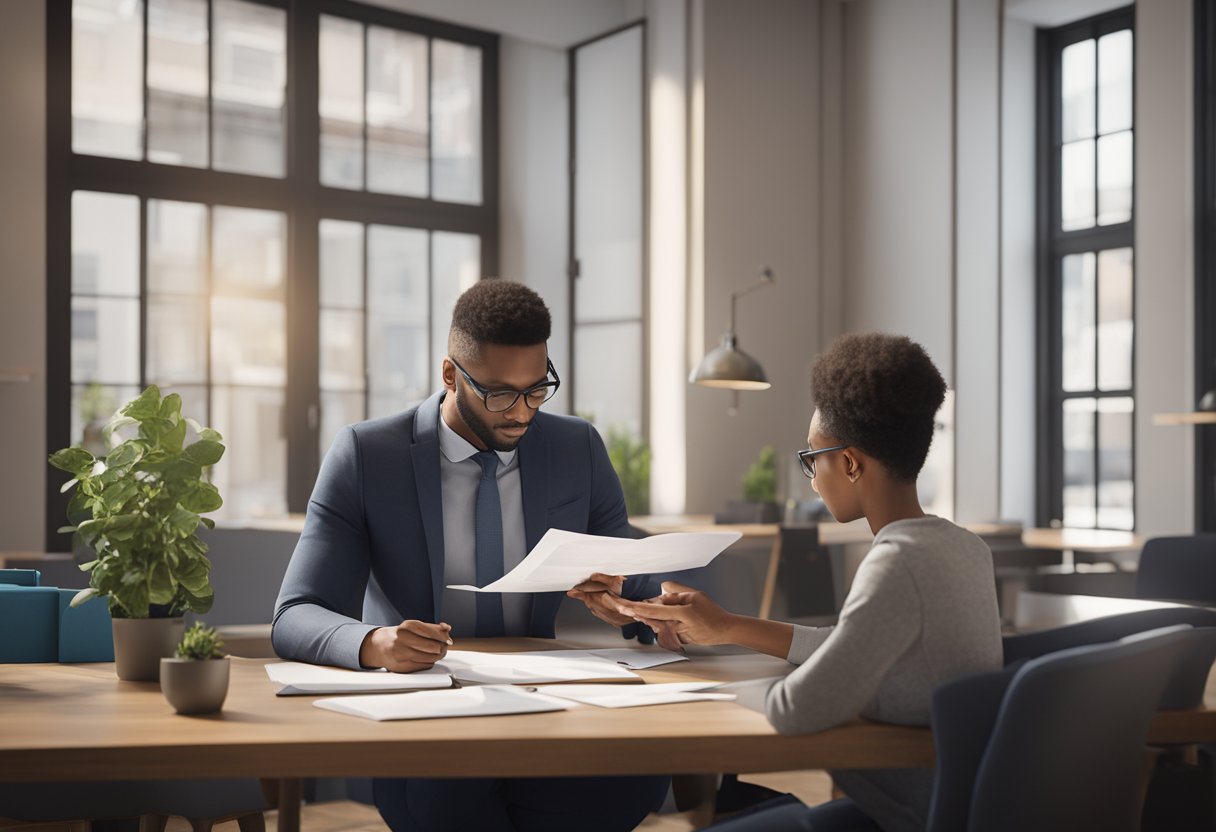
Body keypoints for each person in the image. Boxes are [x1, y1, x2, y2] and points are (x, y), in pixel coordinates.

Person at [272, 279, 669, 832]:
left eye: (537, 389)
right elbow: (295, 613)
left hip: (546, 703)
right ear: (450, 375)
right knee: (446, 799)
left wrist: (648, 606)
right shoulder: (368, 455)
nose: (522, 412)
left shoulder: (576, 448)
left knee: (640, 773)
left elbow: (633, 570)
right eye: (501, 393)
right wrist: (374, 642)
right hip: (426, 714)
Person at [608, 333, 1003, 832]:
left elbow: (798, 709)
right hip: (946, 803)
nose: (812, 477)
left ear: (851, 463)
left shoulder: (897, 563)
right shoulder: (961, 547)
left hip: (900, 815)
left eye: (813, 458)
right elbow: (850, 648)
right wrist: (727, 626)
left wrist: (706, 694)